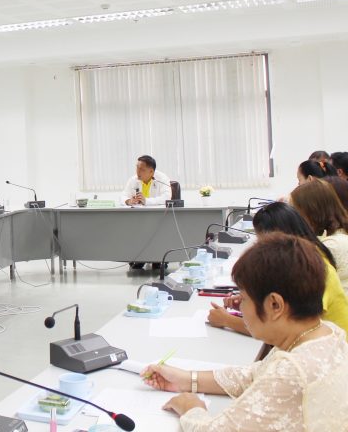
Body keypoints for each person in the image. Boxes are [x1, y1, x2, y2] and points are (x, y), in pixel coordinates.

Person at [143, 233, 348, 430]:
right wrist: (187, 379)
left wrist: (191, 407)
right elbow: (255, 375)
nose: (240, 307)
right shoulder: (327, 333)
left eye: (244, 298)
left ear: (275, 305)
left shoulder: (293, 370)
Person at [207, 202, 348, 335]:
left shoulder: (313, 269)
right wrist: (253, 303)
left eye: (262, 242)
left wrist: (227, 320)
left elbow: (286, 330)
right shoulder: (302, 259)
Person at [291, 179, 348, 293]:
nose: (293, 217)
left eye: (295, 211)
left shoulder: (330, 246)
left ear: (311, 212)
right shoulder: (340, 235)